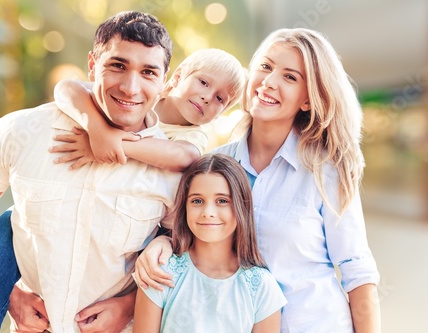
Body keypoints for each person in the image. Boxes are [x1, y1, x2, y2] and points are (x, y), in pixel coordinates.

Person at [134, 28, 381, 333]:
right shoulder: (213, 167)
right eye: (265, 67)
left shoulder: (326, 171)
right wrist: (161, 241)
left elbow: (358, 273)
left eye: (290, 77)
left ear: (307, 100)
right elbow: (188, 242)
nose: (269, 82)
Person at [0, 11, 182, 333]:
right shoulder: (22, 132)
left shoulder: (174, 171)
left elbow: (187, 250)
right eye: (117, 65)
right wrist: (11, 294)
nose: (131, 88)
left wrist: (130, 303)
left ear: (164, 80)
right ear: (92, 64)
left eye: (148, 72)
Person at [132, 154, 287, 333]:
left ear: (240, 206)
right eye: (197, 201)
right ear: (185, 207)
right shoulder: (161, 273)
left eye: (222, 201)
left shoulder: (261, 287)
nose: (208, 212)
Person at [49, 47, 245, 171]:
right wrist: (97, 130)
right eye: (203, 82)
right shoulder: (143, 94)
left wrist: (112, 144)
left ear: (221, 114)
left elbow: (185, 157)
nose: (207, 97)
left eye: (220, 98)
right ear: (178, 77)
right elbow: (67, 88)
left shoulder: (194, 135)